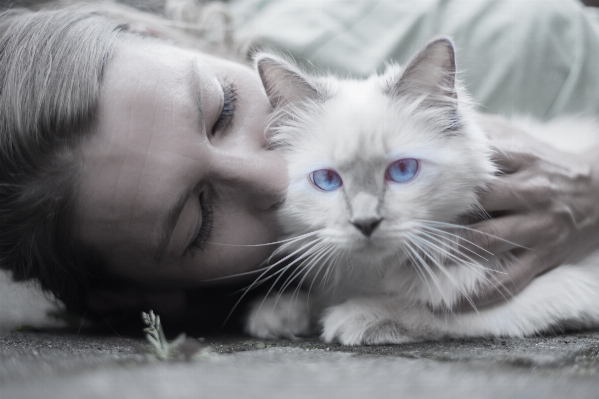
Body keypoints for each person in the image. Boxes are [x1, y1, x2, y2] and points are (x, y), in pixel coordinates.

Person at [1, 0, 599, 330]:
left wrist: (591, 182)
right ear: (135, 297)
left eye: (224, 109)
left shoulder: (391, 33)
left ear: (162, 31)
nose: (272, 177)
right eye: (199, 219)